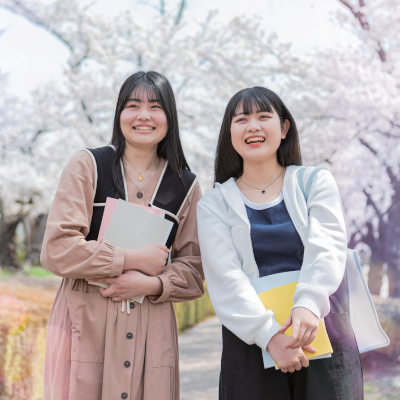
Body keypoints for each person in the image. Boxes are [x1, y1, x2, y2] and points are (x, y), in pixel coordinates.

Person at [40, 71, 204, 400]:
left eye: (155, 107)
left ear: (170, 117)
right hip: (88, 320)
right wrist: (130, 260)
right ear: (119, 114)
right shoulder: (89, 165)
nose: (144, 115)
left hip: (150, 328)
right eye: (133, 105)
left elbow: (195, 271)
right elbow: (57, 250)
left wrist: (151, 284)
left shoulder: (186, 186)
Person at [197, 87, 363, 400]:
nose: (253, 126)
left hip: (321, 329)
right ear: (229, 133)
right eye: (241, 119)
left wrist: (308, 304)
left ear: (284, 127)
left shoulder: (315, 182)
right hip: (249, 344)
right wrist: (270, 337)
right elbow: (225, 278)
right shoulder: (214, 204)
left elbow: (327, 247)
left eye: (263, 116)